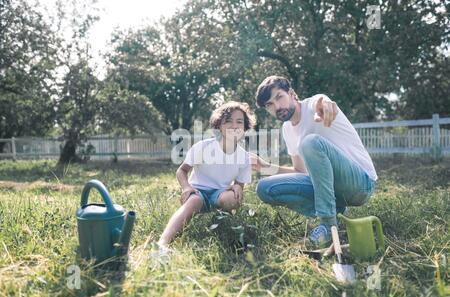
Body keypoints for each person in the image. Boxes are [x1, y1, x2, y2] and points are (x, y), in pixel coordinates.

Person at [251, 76, 377, 248]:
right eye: (270, 105)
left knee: (309, 143)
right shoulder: (287, 129)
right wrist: (264, 166)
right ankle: (337, 210)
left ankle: (328, 224)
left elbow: (322, 101)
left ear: (292, 93)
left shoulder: (313, 106)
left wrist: (325, 104)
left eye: (279, 97)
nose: (277, 107)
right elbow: (300, 171)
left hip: (360, 184)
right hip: (331, 189)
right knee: (264, 188)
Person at [154, 101, 256, 255]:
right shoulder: (204, 147)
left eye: (239, 122)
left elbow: (239, 185)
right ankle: (162, 244)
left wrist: (237, 187)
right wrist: (187, 188)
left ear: (245, 127)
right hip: (198, 192)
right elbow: (182, 171)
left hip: (220, 194)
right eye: (228, 121)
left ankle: (224, 230)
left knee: (232, 199)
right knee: (195, 200)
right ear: (219, 126)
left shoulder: (244, 157)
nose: (234, 126)